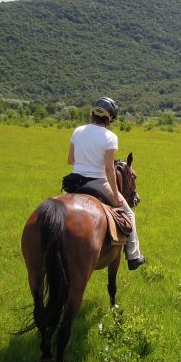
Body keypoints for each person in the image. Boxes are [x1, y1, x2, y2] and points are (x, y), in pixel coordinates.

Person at [67, 97, 146, 270]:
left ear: (92, 114)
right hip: (97, 182)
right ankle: (134, 256)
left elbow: (70, 159)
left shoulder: (78, 131)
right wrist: (117, 194)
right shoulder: (110, 137)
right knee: (130, 214)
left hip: (73, 183)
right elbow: (110, 170)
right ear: (110, 118)